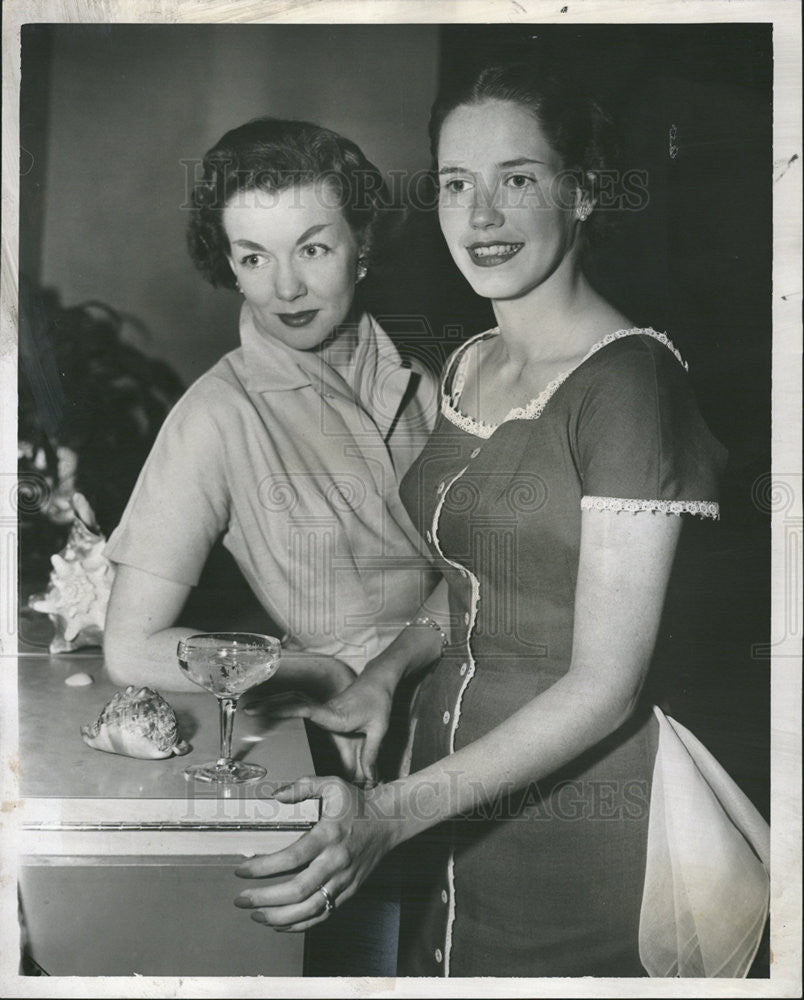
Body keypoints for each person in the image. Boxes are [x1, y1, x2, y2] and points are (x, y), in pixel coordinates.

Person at [232, 62, 769, 978]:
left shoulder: (630, 385)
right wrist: (389, 675)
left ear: (585, 191)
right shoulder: (477, 362)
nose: (480, 218)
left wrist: (392, 814)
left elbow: (605, 684)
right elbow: (478, 579)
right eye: (455, 184)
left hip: (577, 825)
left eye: (518, 179)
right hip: (448, 802)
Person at [102, 117, 440, 975]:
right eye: (252, 257)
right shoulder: (216, 417)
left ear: (363, 244)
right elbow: (131, 647)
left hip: (496, 731)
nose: (284, 286)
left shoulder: (435, 380)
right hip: (367, 769)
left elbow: (484, 576)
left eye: (313, 248)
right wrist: (313, 668)